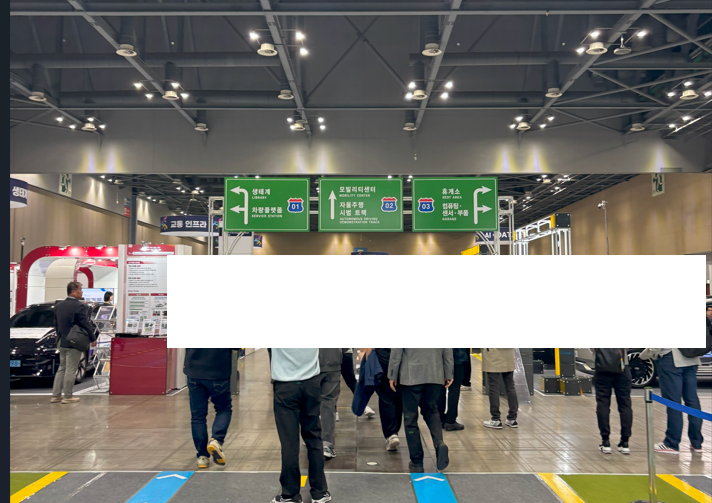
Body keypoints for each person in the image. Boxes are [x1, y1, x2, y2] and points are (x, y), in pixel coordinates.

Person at [271, 349, 331, 503]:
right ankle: (319, 492)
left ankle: (290, 494)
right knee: (314, 438)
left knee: (289, 443)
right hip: (311, 385)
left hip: (285, 387)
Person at [388, 348, 453, 473]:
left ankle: (417, 461)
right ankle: (439, 442)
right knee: (431, 411)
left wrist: (392, 374)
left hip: (410, 376)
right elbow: (447, 349)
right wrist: (449, 372)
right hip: (434, 374)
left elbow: (397, 350)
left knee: (410, 418)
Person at [640, 348, 704, 454]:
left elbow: (657, 346)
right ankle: (697, 443)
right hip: (691, 359)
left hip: (671, 360)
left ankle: (671, 443)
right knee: (692, 401)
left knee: (673, 403)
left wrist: (644, 354)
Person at [183, 348, 234, 469]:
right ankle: (216, 440)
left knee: (198, 415)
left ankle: (202, 457)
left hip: (194, 371)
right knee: (223, 409)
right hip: (218, 372)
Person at [51, 282, 97, 404]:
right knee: (71, 369)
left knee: (62, 368)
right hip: (74, 341)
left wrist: (60, 337)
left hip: (61, 341)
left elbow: (56, 324)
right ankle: (68, 396)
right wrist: (93, 338)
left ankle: (56, 395)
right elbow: (85, 324)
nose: (82, 292)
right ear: (73, 292)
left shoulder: (58, 306)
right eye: (80, 290)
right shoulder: (79, 306)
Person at [591, 348, 632, 454]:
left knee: (603, 403)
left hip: (602, 367)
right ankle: (625, 442)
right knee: (625, 404)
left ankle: (605, 441)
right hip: (622, 367)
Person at [360, 348, 402, 451]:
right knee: (398, 395)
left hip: (383, 357)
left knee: (385, 396)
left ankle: (391, 434)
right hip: (401, 357)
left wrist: (368, 362)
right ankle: (395, 430)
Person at [481, 348, 519, 429]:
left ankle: (495, 419)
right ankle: (512, 418)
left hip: (493, 354)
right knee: (510, 387)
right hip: (508, 354)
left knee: (493, 387)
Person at [338, 349, 375, 422]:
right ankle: (364, 406)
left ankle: (363, 406)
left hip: (335, 354)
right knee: (351, 382)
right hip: (344, 352)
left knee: (334, 384)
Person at [318, 348, 342, 459]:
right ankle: (326, 444)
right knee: (328, 403)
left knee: (309, 403)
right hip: (333, 361)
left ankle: (311, 438)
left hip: (309, 364)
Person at [438, 348, 469, 430]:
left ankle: (440, 419)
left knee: (440, 388)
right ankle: (450, 420)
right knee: (454, 389)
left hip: (439, 358)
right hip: (457, 358)